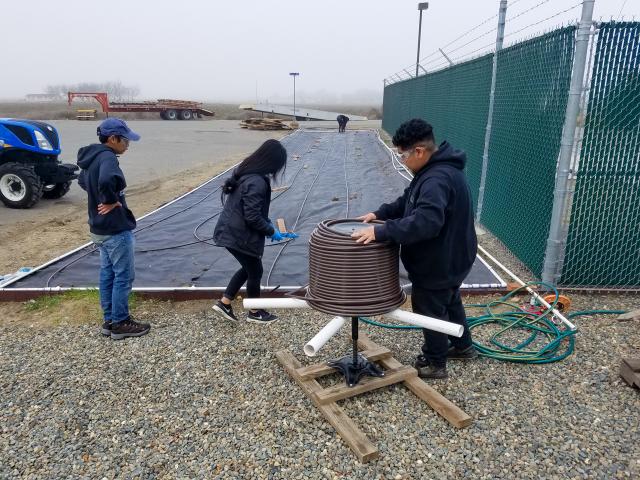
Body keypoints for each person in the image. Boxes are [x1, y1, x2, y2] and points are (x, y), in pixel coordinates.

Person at [351, 118, 478, 379]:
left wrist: (381, 231)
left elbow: (426, 223)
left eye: (403, 155)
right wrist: (379, 214)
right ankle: (463, 346)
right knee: (450, 299)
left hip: (439, 261)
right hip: (456, 255)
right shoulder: (434, 171)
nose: (402, 161)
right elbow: (408, 200)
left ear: (419, 151)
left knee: (429, 307)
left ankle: (435, 362)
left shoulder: (436, 179)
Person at [77, 118, 150, 340]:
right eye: (125, 140)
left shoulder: (92, 157)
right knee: (123, 276)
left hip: (98, 229)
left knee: (107, 274)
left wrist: (99, 195)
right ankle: (120, 323)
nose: (128, 144)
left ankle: (109, 321)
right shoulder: (108, 158)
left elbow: (82, 181)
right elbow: (108, 179)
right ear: (113, 139)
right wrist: (110, 200)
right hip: (115, 229)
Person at [212, 139, 296, 324]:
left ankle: (225, 302)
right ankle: (255, 312)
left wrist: (272, 227)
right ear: (272, 162)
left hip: (231, 232)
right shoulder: (257, 181)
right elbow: (251, 217)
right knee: (255, 270)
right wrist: (270, 231)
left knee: (249, 268)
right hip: (237, 234)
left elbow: (253, 211)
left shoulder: (249, 174)